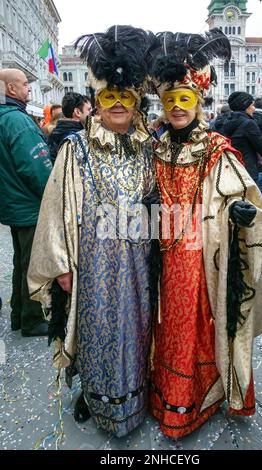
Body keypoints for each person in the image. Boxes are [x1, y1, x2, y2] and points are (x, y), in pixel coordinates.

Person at [28, 25, 156, 437]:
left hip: (139, 263)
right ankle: (94, 395)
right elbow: (55, 210)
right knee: (93, 330)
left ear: (136, 103)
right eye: (109, 97)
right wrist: (61, 264)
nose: (117, 105)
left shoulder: (150, 147)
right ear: (97, 102)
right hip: (93, 264)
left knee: (136, 331)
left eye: (125, 97)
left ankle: (135, 398)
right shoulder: (75, 148)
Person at [148, 29, 262, 439]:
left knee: (203, 324)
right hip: (164, 256)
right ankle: (168, 394)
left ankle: (204, 395)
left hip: (204, 260)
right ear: (162, 108)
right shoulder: (157, 148)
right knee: (168, 326)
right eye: (170, 101)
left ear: (198, 103)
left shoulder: (217, 147)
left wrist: (240, 210)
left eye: (185, 100)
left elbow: (244, 195)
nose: (178, 108)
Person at [0, 68, 52, 336]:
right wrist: (54, 195)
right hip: (28, 204)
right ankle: (32, 318)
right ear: (11, 89)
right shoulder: (18, 121)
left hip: (12, 203)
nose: (28, 89)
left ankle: (19, 315)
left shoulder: (5, 117)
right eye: (24, 84)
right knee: (34, 263)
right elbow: (35, 167)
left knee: (21, 261)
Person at [223, 91, 262, 184]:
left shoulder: (227, 121)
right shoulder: (249, 124)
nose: (254, 108)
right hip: (247, 171)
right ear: (245, 106)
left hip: (231, 169)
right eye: (252, 105)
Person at [48, 92, 92, 163]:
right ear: (77, 112)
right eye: (89, 109)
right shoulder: (75, 137)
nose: (91, 113)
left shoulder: (58, 131)